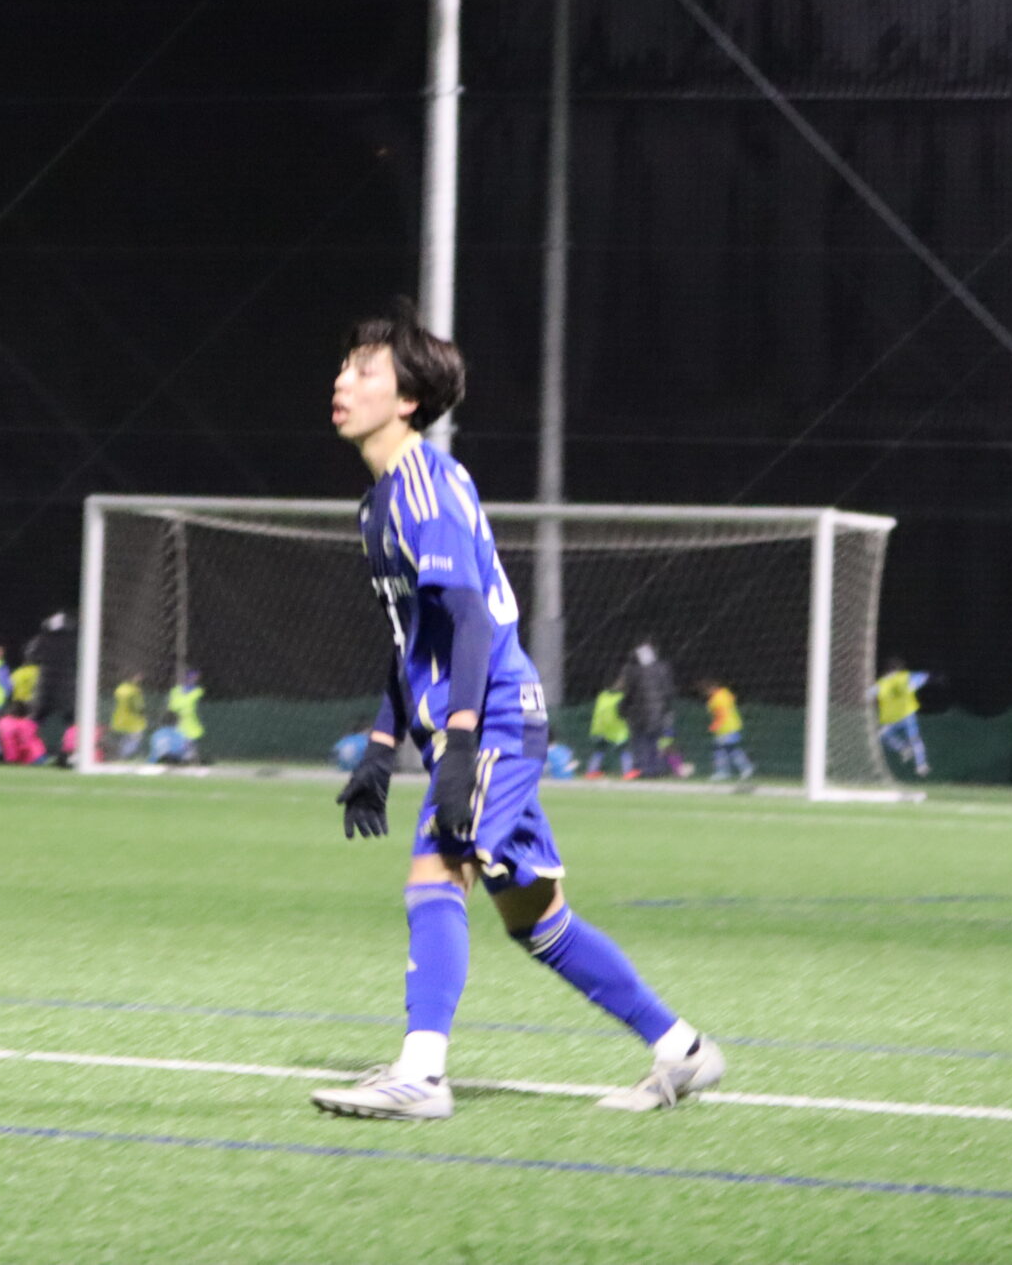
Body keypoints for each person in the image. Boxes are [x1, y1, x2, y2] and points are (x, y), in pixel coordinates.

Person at [310, 299, 723, 1121]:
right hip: (482, 718)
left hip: (492, 716)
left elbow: (469, 618)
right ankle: (683, 1050)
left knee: (437, 871)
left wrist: (461, 745)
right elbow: (414, 635)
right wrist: (381, 745)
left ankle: (422, 1074)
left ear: (408, 400)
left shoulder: (424, 485)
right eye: (345, 366)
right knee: (537, 920)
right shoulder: (380, 501)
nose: (342, 381)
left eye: (364, 370)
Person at [620, 641, 679, 778]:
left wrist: (623, 709)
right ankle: (655, 769)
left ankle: (642, 769)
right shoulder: (663, 669)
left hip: (638, 713)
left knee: (640, 742)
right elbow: (669, 692)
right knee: (655, 741)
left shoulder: (633, 670)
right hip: (658, 713)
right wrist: (667, 709)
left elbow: (629, 693)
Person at [873, 658, 934, 777]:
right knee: (882, 735)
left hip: (904, 716)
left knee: (912, 738)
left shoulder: (899, 679)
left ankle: (919, 763)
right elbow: (871, 692)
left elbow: (924, 676)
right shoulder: (889, 681)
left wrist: (916, 682)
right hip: (898, 717)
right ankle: (906, 750)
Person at [699, 678, 755, 781]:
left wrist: (713, 726)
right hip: (734, 726)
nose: (705, 694)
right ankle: (744, 768)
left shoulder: (716, 699)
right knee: (729, 749)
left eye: (705, 691)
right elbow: (732, 701)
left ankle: (726, 771)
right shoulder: (725, 693)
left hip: (726, 728)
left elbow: (721, 715)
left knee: (721, 749)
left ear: (710, 689)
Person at [585, 679, 633, 780]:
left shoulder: (603, 696)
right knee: (624, 750)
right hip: (617, 729)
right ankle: (627, 771)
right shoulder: (621, 697)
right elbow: (622, 713)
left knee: (599, 750)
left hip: (599, 728)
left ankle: (591, 771)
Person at [166, 668, 205, 762]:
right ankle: (182, 757)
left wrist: (180, 703)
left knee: (189, 739)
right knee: (181, 740)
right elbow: (172, 705)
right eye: (191, 677)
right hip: (177, 719)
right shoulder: (176, 690)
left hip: (191, 720)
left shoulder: (198, 691)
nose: (194, 679)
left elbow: (182, 703)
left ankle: (188, 757)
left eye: (196, 677)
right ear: (186, 677)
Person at [0, 700, 47, 765]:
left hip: (31, 757)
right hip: (39, 754)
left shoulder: (7, 724)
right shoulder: (29, 724)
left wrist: (12, 760)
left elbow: (11, 745)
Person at [110, 672, 147, 760]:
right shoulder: (134, 690)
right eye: (138, 676)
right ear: (133, 677)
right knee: (135, 739)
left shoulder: (120, 689)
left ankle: (118, 756)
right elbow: (139, 706)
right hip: (132, 721)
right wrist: (143, 714)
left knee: (124, 740)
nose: (141, 679)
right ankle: (124, 757)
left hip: (119, 720)